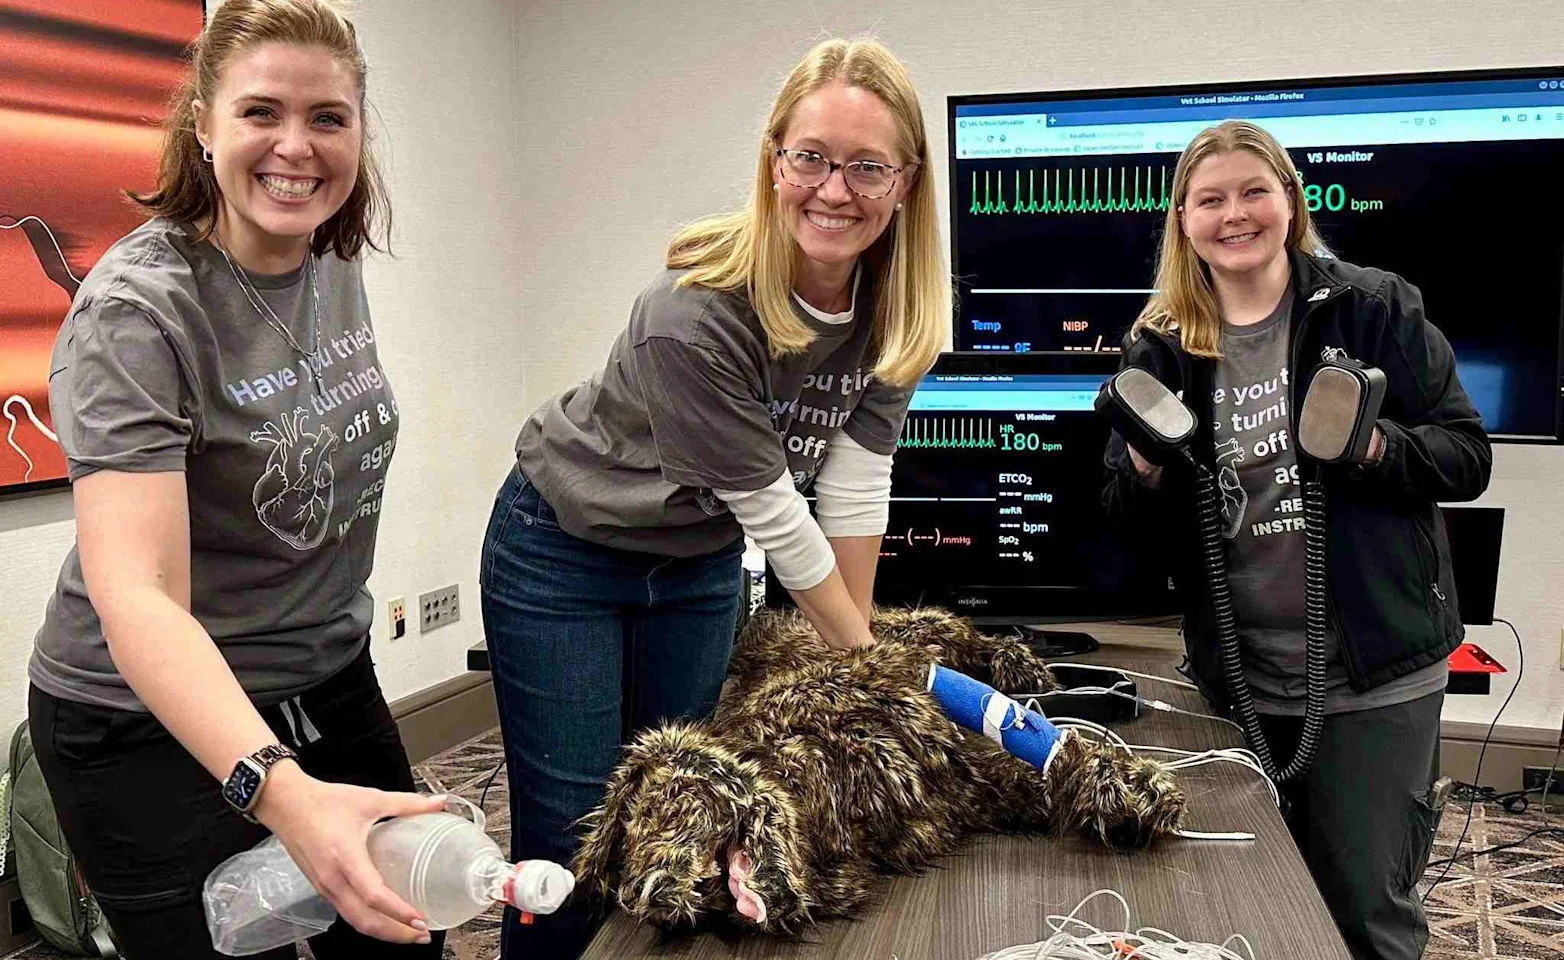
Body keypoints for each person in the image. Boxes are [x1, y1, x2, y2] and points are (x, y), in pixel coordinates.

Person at [479, 36, 947, 959]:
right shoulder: (693, 313)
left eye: (867, 166)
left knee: (683, 810)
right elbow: (776, 512)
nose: (834, 189)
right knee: (574, 837)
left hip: (693, 562)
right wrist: (869, 665)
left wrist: (857, 646)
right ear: (776, 161)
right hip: (563, 550)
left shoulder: (898, 304)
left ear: (905, 181)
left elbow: (855, 481)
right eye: (811, 158)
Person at [26, 2, 446, 956]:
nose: (295, 148)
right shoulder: (137, 312)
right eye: (261, 113)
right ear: (203, 126)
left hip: (323, 674)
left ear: (358, 133)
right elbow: (139, 598)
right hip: (137, 722)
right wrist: (278, 787)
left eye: (328, 118)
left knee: (398, 933)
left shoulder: (325, 257)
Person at [1103, 120, 1490, 960]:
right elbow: (1126, 525)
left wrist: (1373, 447)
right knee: (1239, 902)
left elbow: (1467, 456)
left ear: (1290, 201)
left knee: (1361, 912)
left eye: (1253, 191)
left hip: (1373, 674)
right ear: (1183, 220)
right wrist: (1144, 461)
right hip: (1237, 680)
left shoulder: (1375, 306)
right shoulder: (1161, 344)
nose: (1233, 214)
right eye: (1210, 199)